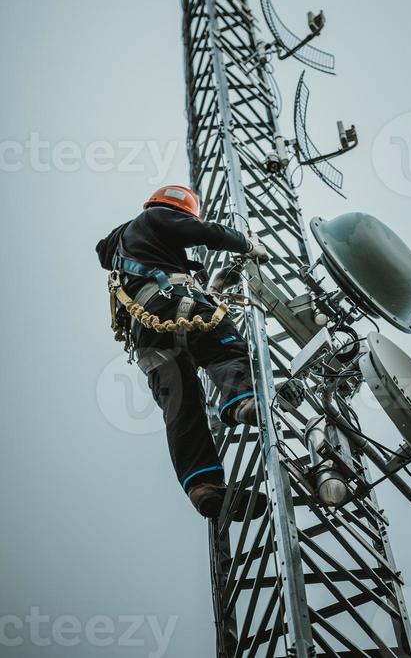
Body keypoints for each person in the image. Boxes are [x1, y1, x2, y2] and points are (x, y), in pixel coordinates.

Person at [96, 184, 297, 519]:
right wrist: (247, 243)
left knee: (182, 407)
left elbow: (162, 280)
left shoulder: (128, 250)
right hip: (174, 304)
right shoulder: (156, 218)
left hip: (148, 335)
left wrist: (215, 287)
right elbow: (205, 232)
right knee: (223, 344)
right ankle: (242, 400)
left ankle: (203, 488)